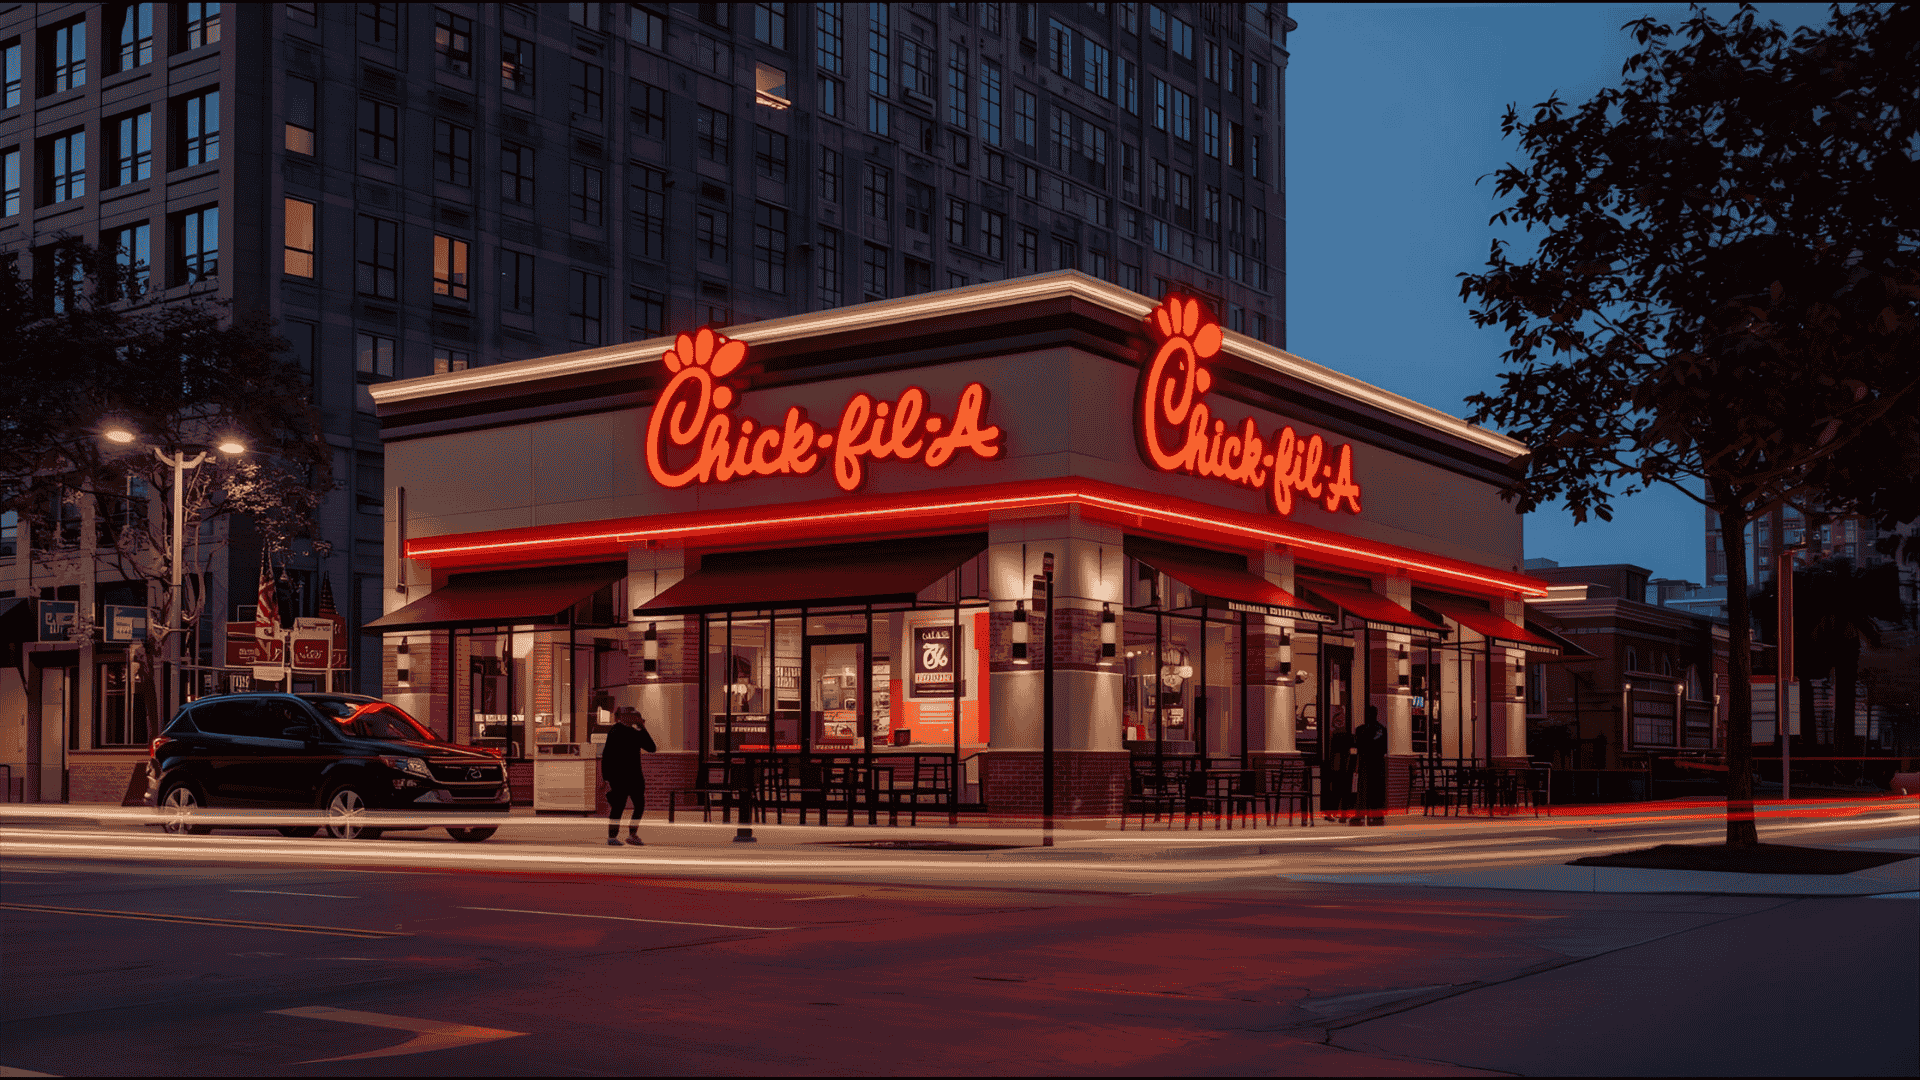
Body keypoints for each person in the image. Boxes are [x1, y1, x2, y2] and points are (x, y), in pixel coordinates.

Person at [601, 706, 657, 846]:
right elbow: (607, 756)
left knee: (639, 805)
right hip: (619, 777)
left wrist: (642, 727)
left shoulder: (635, 732)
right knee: (618, 806)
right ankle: (612, 836)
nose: (636, 718)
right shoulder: (614, 731)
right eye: (634, 716)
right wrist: (606, 778)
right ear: (624, 716)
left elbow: (651, 748)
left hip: (635, 776)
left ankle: (633, 834)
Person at [1355, 704, 1389, 827]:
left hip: (1365, 763)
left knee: (1363, 790)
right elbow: (1384, 749)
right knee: (1377, 790)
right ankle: (1377, 814)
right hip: (1378, 764)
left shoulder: (1360, 730)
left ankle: (1361, 814)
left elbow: (1358, 746)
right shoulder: (1382, 729)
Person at [1323, 722, 1355, 823]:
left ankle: (1330, 813)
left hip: (1337, 769)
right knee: (1345, 792)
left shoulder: (1334, 751)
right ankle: (1343, 815)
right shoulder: (1347, 751)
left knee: (1335, 792)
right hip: (1345, 769)